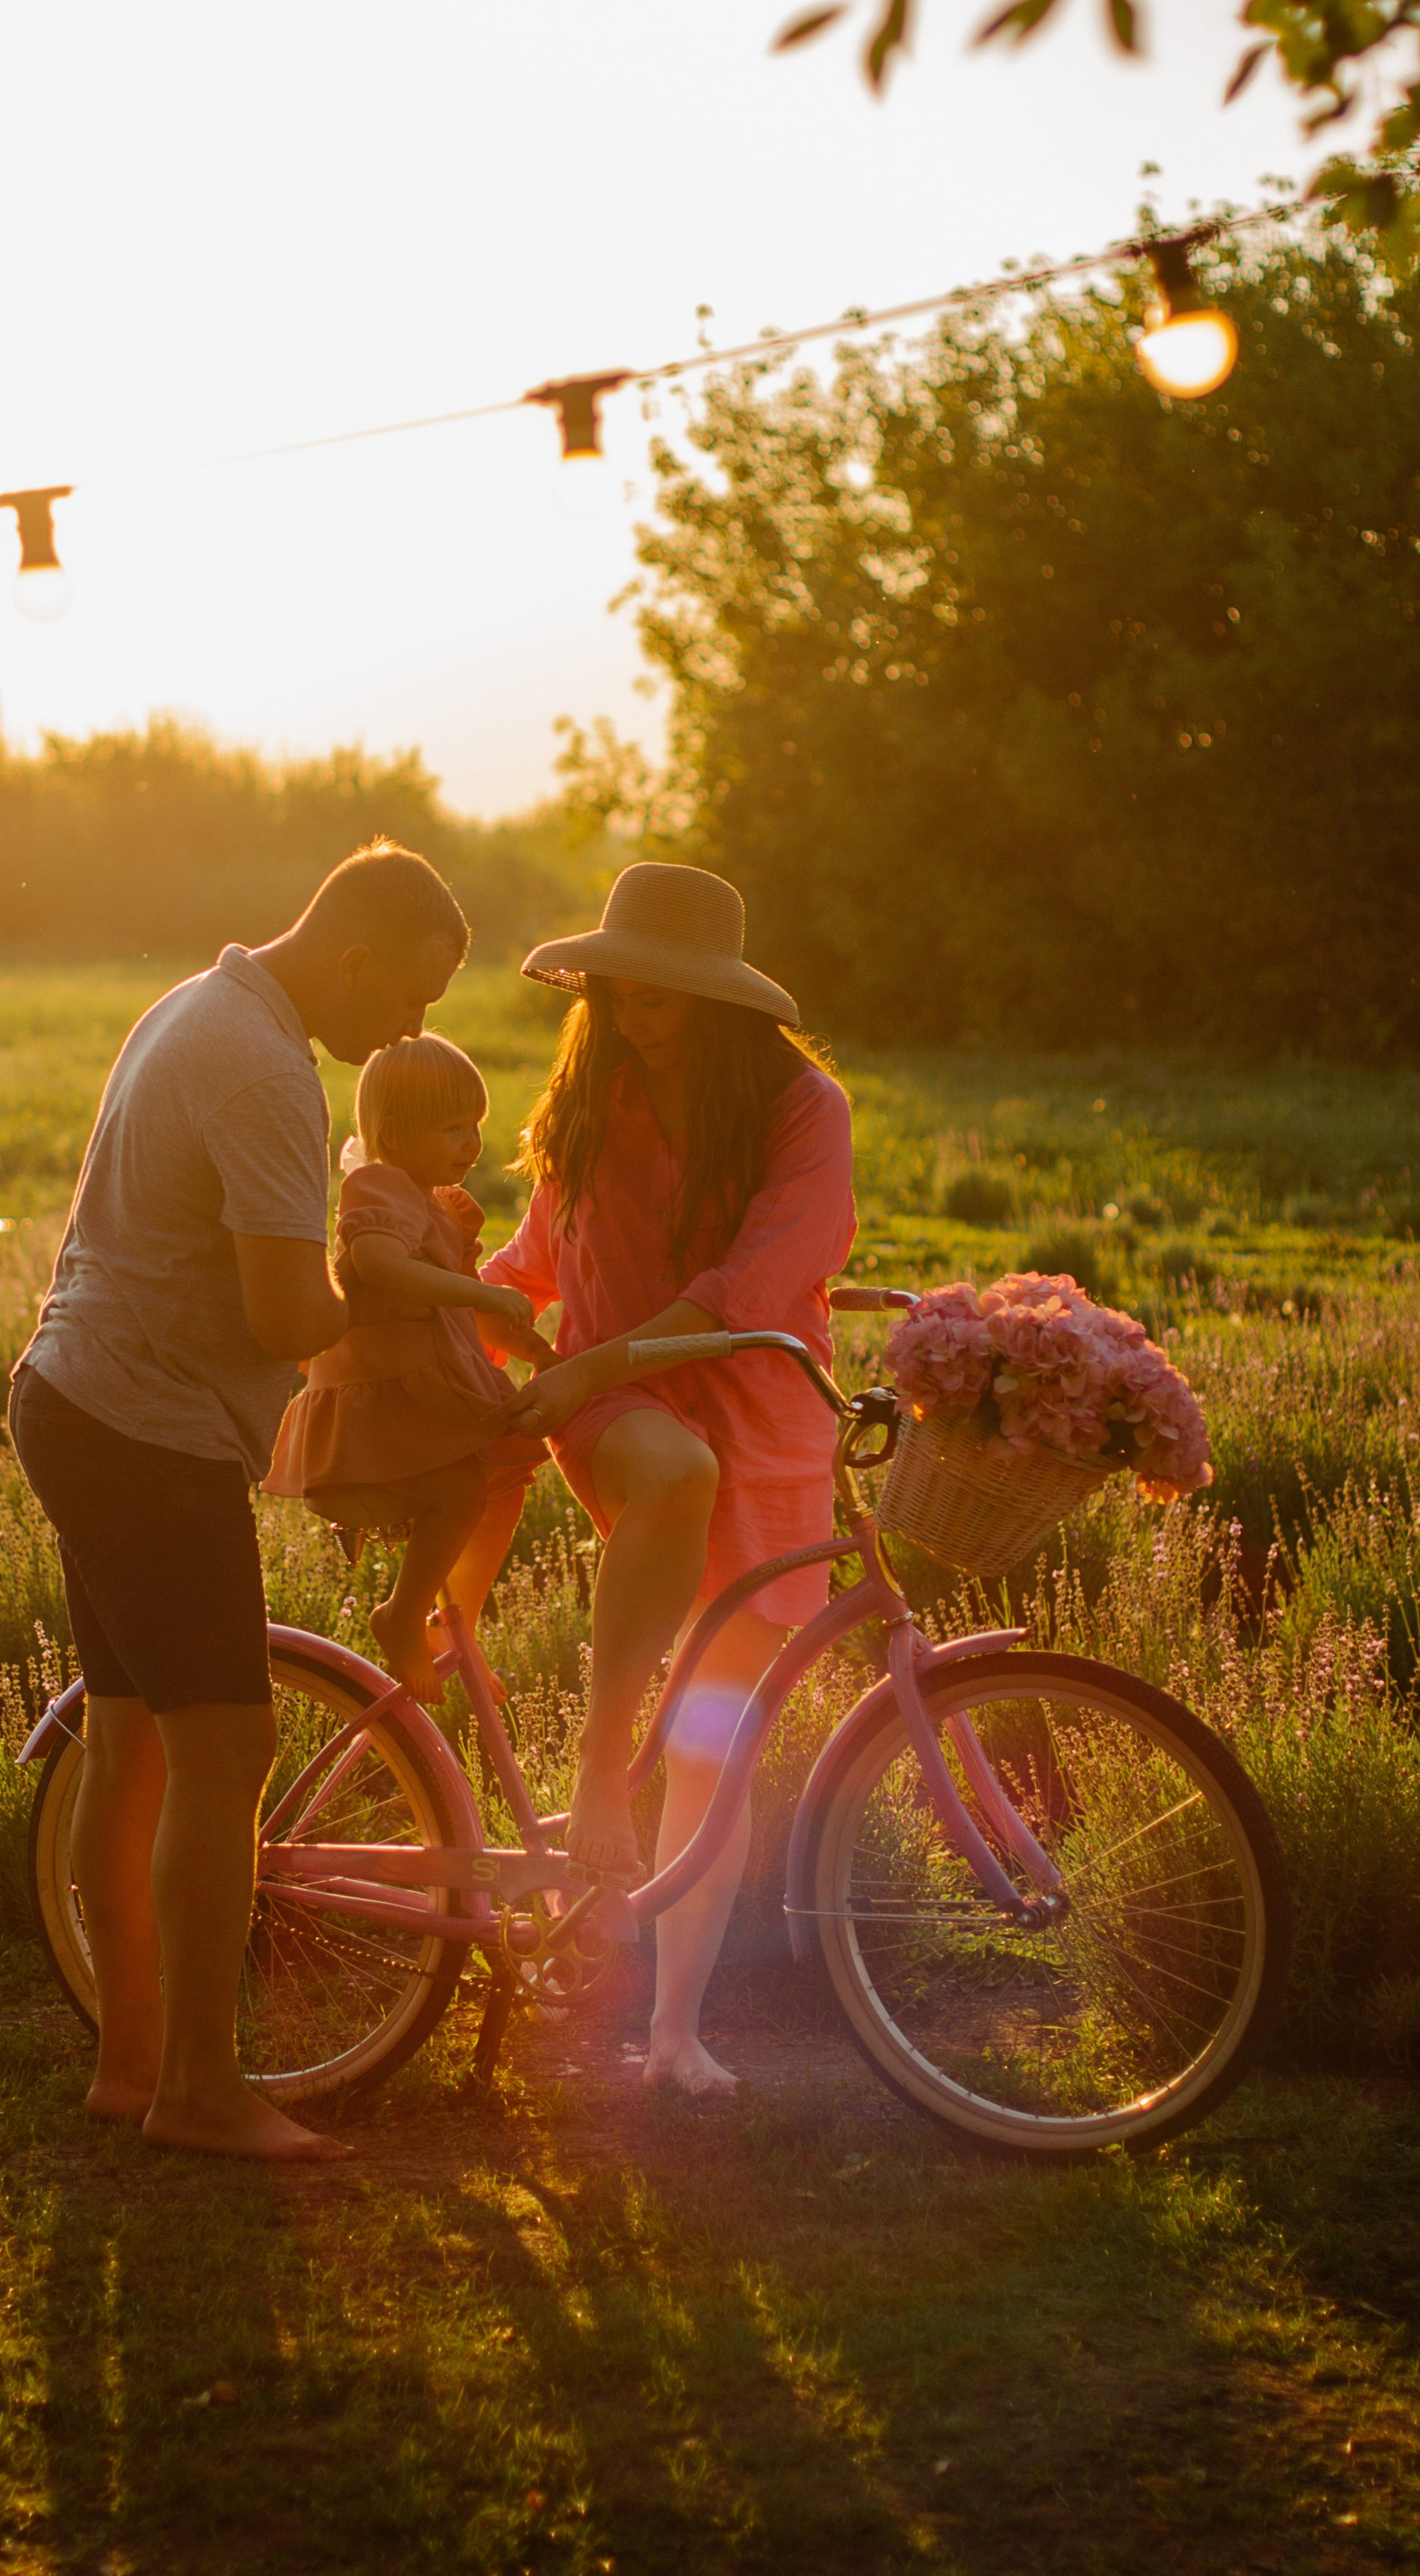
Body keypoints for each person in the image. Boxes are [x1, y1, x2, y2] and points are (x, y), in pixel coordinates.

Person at [7, 839, 470, 2163]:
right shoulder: (271, 1073)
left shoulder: (194, 1004)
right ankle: (202, 2090)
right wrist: (372, 1292)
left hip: (72, 1395)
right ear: (358, 956)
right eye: (412, 998)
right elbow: (284, 1314)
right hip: (145, 1432)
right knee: (224, 1756)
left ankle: (133, 2066)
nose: (410, 1033)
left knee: (131, 1740)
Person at [485, 861, 855, 2099]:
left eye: (662, 991)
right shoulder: (597, 1088)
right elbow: (541, 1259)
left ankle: (676, 2032)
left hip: (760, 1417)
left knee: (719, 1748)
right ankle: (596, 1774)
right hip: (628, 1412)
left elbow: (757, 1284)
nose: (631, 1007)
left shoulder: (801, 1109)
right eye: (618, 985)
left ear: (719, 999)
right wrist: (434, 1305)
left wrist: (606, 1362)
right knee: (673, 1471)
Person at [264, 1032, 553, 1704]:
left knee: (503, 1472)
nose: (471, 1144)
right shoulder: (380, 1188)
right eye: (452, 1128)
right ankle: (402, 1613)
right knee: (458, 1491)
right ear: (394, 1133)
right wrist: (482, 1292)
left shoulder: (433, 1202)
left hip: (424, 1396)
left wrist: (529, 1345)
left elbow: (454, 1299)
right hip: (385, 1407)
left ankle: (453, 1620)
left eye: (475, 1125)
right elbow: (380, 1269)